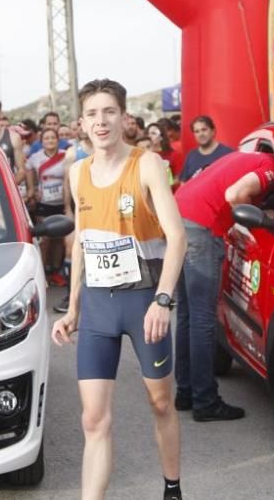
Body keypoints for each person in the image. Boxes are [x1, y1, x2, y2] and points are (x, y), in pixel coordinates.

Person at [52, 78, 187, 500]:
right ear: (81, 122)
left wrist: (163, 300)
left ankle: (172, 487)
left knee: (161, 403)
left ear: (123, 116)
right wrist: (72, 309)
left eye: (108, 111)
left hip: (145, 303)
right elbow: (84, 244)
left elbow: (178, 237)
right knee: (94, 420)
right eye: (92, 113)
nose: (101, 121)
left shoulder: (146, 165)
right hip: (97, 307)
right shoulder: (77, 173)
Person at [173, 150, 274, 421]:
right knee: (202, 318)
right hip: (201, 227)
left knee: (186, 314)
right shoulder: (270, 167)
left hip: (178, 216)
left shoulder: (241, 156)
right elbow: (234, 195)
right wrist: (261, 216)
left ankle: (186, 392)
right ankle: (205, 401)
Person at [53, 120, 94, 314]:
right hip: (76, 207)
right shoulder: (72, 152)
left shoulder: (102, 149)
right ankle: (71, 295)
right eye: (78, 126)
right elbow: (66, 182)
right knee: (71, 250)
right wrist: (67, 209)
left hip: (98, 206)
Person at [28, 127, 67, 281]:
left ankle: (55, 271)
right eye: (47, 138)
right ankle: (42, 274)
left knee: (59, 239)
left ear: (58, 140)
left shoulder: (66, 156)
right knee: (44, 241)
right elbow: (28, 171)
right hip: (44, 202)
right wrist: (33, 189)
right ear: (41, 141)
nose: (50, 141)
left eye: (53, 138)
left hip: (61, 202)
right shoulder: (35, 158)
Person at [179, 115, 233, 183]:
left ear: (213, 131)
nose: (201, 134)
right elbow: (183, 183)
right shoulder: (191, 155)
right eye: (197, 131)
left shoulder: (228, 154)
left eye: (204, 130)